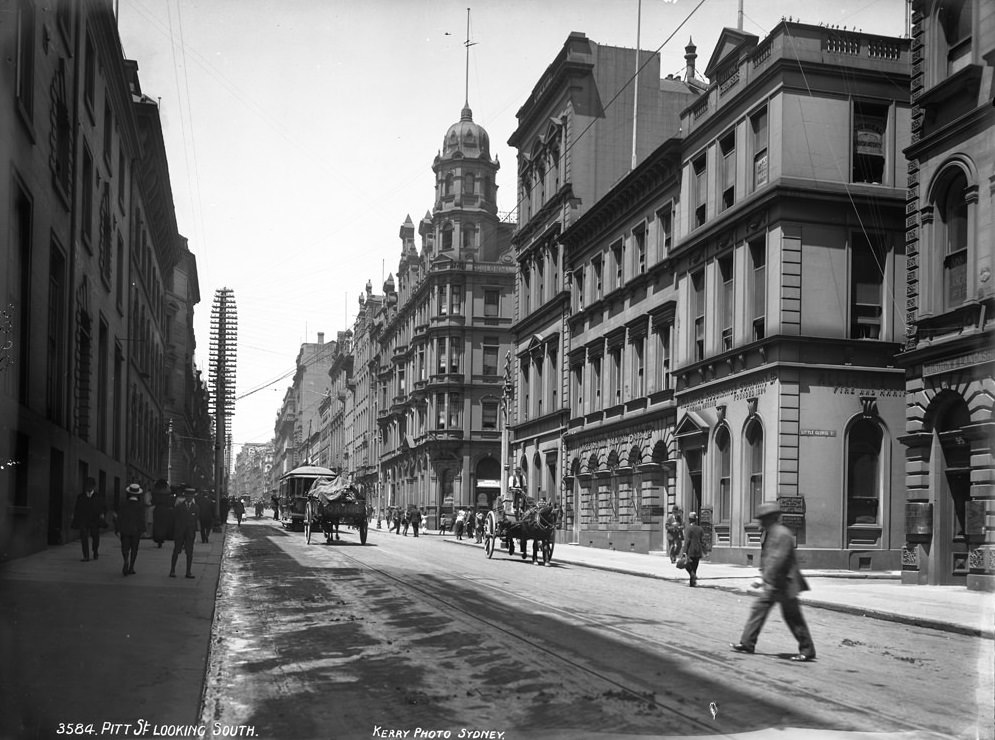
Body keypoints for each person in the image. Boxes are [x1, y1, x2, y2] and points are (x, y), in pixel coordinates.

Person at [731, 501, 816, 662]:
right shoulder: (771, 532)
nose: (761, 521)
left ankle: (807, 649)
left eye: (763, 518)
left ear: (772, 518)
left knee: (792, 616)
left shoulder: (782, 533)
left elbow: (778, 559)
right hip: (776, 582)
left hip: (786, 582)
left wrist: (763, 578)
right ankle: (747, 643)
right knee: (760, 609)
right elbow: (768, 556)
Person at [71, 477, 106, 562]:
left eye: (91, 486)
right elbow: (77, 508)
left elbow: (104, 507)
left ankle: (95, 551)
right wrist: (75, 517)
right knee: (84, 536)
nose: (89, 488)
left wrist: (102, 514)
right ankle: (86, 555)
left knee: (95, 537)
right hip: (84, 519)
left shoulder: (98, 497)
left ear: (94, 487)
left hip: (95, 519)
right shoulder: (81, 497)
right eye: (88, 486)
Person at [116, 483, 146, 576]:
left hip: (125, 529)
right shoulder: (140, 506)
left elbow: (119, 517)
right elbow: (141, 518)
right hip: (135, 530)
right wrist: (143, 530)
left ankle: (125, 560)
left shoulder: (123, 504)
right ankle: (131, 567)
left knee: (125, 547)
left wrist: (117, 529)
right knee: (134, 548)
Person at [170, 488, 200, 579]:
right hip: (180, 533)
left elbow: (196, 520)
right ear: (185, 496)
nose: (189, 498)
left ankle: (188, 572)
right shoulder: (179, 507)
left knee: (189, 553)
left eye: (191, 496)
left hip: (190, 534)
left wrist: (195, 532)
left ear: (193, 497)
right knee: (176, 551)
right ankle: (172, 570)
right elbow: (174, 519)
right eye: (188, 496)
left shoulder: (196, 507)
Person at [679, 511, 706, 587]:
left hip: (690, 550)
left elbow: (687, 541)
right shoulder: (700, 529)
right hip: (698, 550)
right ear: (695, 519)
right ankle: (692, 582)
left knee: (687, 566)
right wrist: (704, 550)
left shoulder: (688, 529)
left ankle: (692, 576)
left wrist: (684, 551)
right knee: (695, 566)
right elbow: (702, 541)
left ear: (689, 519)